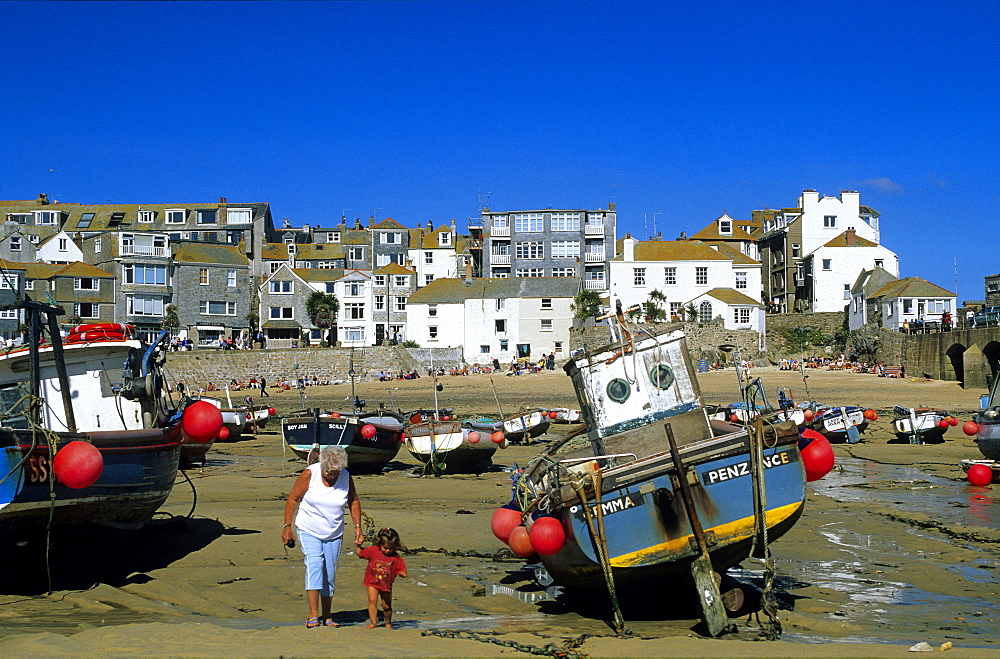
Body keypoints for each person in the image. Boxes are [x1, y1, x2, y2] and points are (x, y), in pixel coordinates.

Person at [282, 446, 364, 628]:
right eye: (328, 472)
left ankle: (327, 616)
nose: (332, 476)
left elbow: (354, 500)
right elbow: (292, 500)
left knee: (330, 574)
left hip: (334, 532)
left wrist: (358, 527)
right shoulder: (310, 474)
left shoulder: (345, 476)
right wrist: (287, 527)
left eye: (335, 473)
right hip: (308, 528)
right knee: (315, 565)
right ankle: (313, 615)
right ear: (322, 465)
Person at [355, 527, 407, 629]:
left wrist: (402, 573)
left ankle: (388, 623)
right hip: (372, 581)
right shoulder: (373, 551)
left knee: (386, 606)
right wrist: (358, 545)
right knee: (372, 600)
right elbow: (360, 553)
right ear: (380, 544)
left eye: (390, 548)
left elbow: (402, 569)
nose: (387, 551)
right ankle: (373, 622)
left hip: (386, 585)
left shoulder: (396, 558)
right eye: (385, 548)